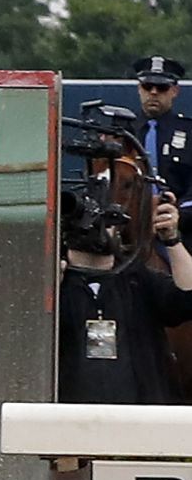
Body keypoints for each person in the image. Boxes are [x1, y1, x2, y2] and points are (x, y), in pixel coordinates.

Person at [57, 188, 192, 404]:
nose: (95, 228)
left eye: (105, 221)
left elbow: (187, 297)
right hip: (68, 420)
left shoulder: (139, 280)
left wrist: (172, 240)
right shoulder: (54, 286)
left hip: (140, 418)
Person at [134, 55, 192, 213]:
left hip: (179, 220)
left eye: (162, 88)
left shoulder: (188, 132)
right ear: (139, 89)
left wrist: (176, 214)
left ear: (174, 91)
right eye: (148, 86)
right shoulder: (123, 131)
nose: (154, 93)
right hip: (129, 223)